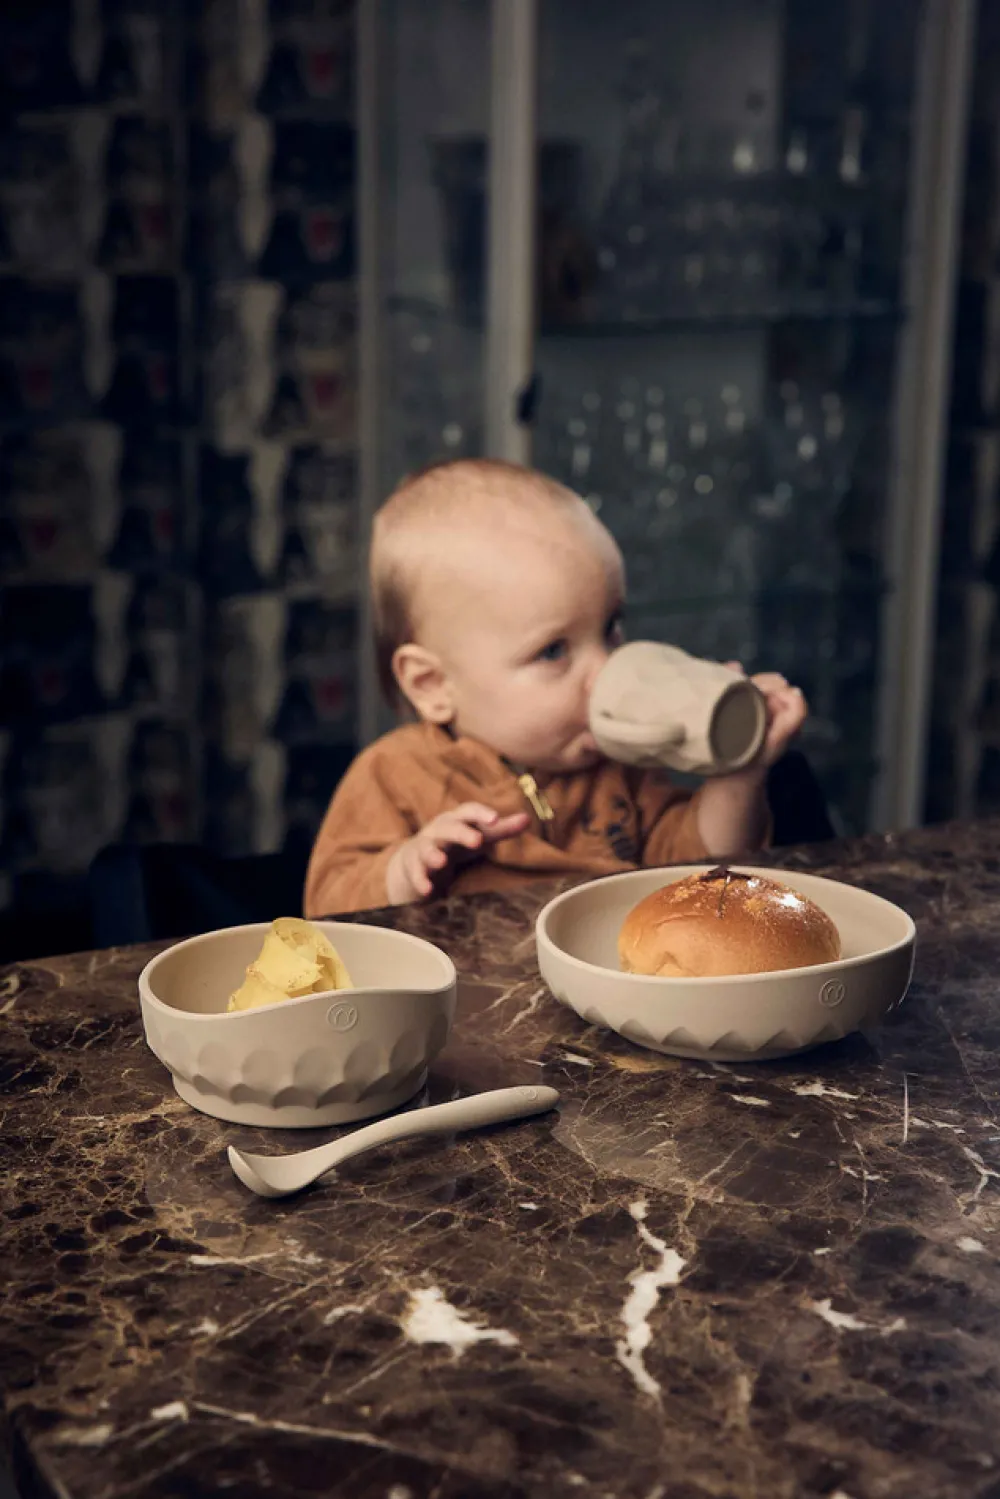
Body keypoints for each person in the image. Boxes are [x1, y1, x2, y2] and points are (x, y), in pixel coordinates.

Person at [304, 459, 806, 916]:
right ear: (433, 684)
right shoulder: (394, 775)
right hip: (477, 1008)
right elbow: (325, 908)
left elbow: (703, 872)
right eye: (553, 651)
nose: (603, 669)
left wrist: (740, 773)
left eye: (610, 627)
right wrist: (403, 870)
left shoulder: (621, 768)